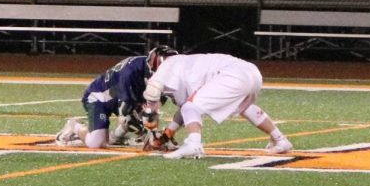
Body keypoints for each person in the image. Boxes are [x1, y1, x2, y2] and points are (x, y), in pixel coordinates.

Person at [142, 52, 293, 159]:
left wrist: (150, 118)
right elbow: (185, 110)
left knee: (191, 107)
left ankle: (193, 144)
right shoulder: (186, 64)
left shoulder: (168, 64)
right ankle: (280, 140)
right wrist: (168, 133)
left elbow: (153, 90)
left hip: (231, 75)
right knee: (244, 107)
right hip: (252, 72)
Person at [55, 45, 178, 148]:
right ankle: (74, 126)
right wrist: (149, 131)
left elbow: (153, 108)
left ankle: (116, 138)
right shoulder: (131, 72)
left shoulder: (152, 71)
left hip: (119, 96)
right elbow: (125, 113)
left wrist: (154, 129)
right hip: (98, 97)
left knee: (144, 115)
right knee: (96, 142)